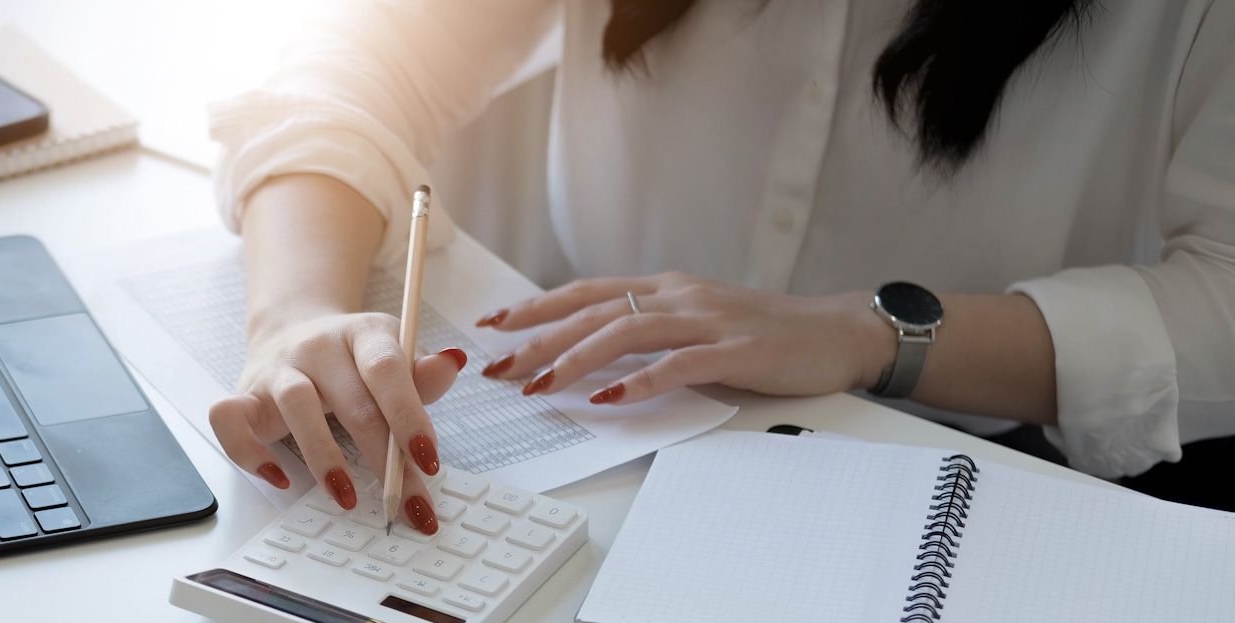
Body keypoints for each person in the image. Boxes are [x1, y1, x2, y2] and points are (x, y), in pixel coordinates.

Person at [205, 0, 1235, 533]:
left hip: (966, 494)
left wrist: (868, 334)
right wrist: (292, 313)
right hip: (596, 448)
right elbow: (365, 52)